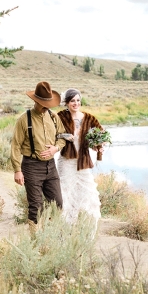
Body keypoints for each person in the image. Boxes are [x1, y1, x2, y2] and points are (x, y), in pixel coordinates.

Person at [10, 81, 68, 233]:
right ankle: (35, 242)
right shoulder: (24, 119)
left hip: (50, 166)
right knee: (36, 206)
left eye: (48, 103)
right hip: (31, 166)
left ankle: (51, 234)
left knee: (58, 203)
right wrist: (17, 170)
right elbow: (15, 145)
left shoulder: (53, 116)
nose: (46, 106)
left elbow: (62, 136)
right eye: (43, 103)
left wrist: (56, 148)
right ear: (35, 101)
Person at [55, 88, 105, 235]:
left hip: (83, 163)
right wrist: (64, 135)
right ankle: (65, 230)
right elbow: (51, 134)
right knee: (66, 193)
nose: (75, 103)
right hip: (66, 162)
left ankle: (87, 230)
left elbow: (100, 135)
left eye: (78, 100)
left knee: (89, 194)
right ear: (66, 103)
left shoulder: (89, 118)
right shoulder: (60, 117)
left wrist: (98, 146)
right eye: (72, 101)